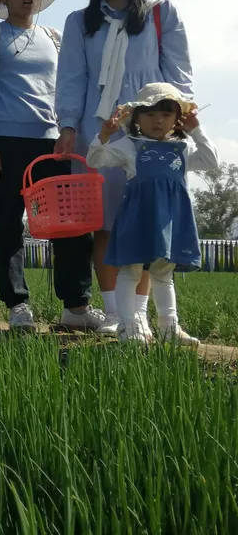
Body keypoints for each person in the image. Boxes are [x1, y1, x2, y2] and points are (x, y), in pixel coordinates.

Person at [56, 0, 193, 333]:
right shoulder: (79, 22)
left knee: (149, 216)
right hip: (99, 126)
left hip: (153, 129)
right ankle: (116, 315)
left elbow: (178, 72)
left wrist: (181, 116)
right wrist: (67, 125)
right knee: (104, 220)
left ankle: (144, 319)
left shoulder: (160, 14)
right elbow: (71, 78)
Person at [0, 0, 103, 332]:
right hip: (5, 144)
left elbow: (67, 89)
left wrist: (68, 128)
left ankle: (76, 306)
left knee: (71, 225)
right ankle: (17, 304)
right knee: (8, 226)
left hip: (52, 143)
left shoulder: (55, 39)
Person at [86, 83, 216, 343]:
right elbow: (95, 160)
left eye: (166, 114)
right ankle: (128, 326)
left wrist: (197, 131)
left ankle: (170, 328)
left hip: (170, 220)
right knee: (130, 271)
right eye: (150, 114)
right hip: (137, 218)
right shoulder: (129, 145)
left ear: (177, 119)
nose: (158, 120)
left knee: (163, 274)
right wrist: (103, 135)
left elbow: (211, 160)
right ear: (136, 118)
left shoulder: (182, 148)